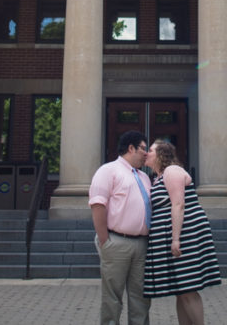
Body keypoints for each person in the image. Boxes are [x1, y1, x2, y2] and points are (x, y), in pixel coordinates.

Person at [142, 140, 221, 325]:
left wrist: (176, 240)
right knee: (181, 289)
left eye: (150, 150)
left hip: (186, 234)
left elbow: (178, 204)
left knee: (188, 288)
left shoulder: (172, 171)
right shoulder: (158, 177)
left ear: (161, 154)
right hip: (172, 234)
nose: (146, 153)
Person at [89, 130, 152, 325]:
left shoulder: (144, 177)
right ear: (130, 148)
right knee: (112, 298)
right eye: (143, 149)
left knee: (141, 298)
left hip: (142, 244)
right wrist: (104, 240)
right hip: (116, 242)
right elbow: (98, 205)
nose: (146, 154)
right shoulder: (108, 171)